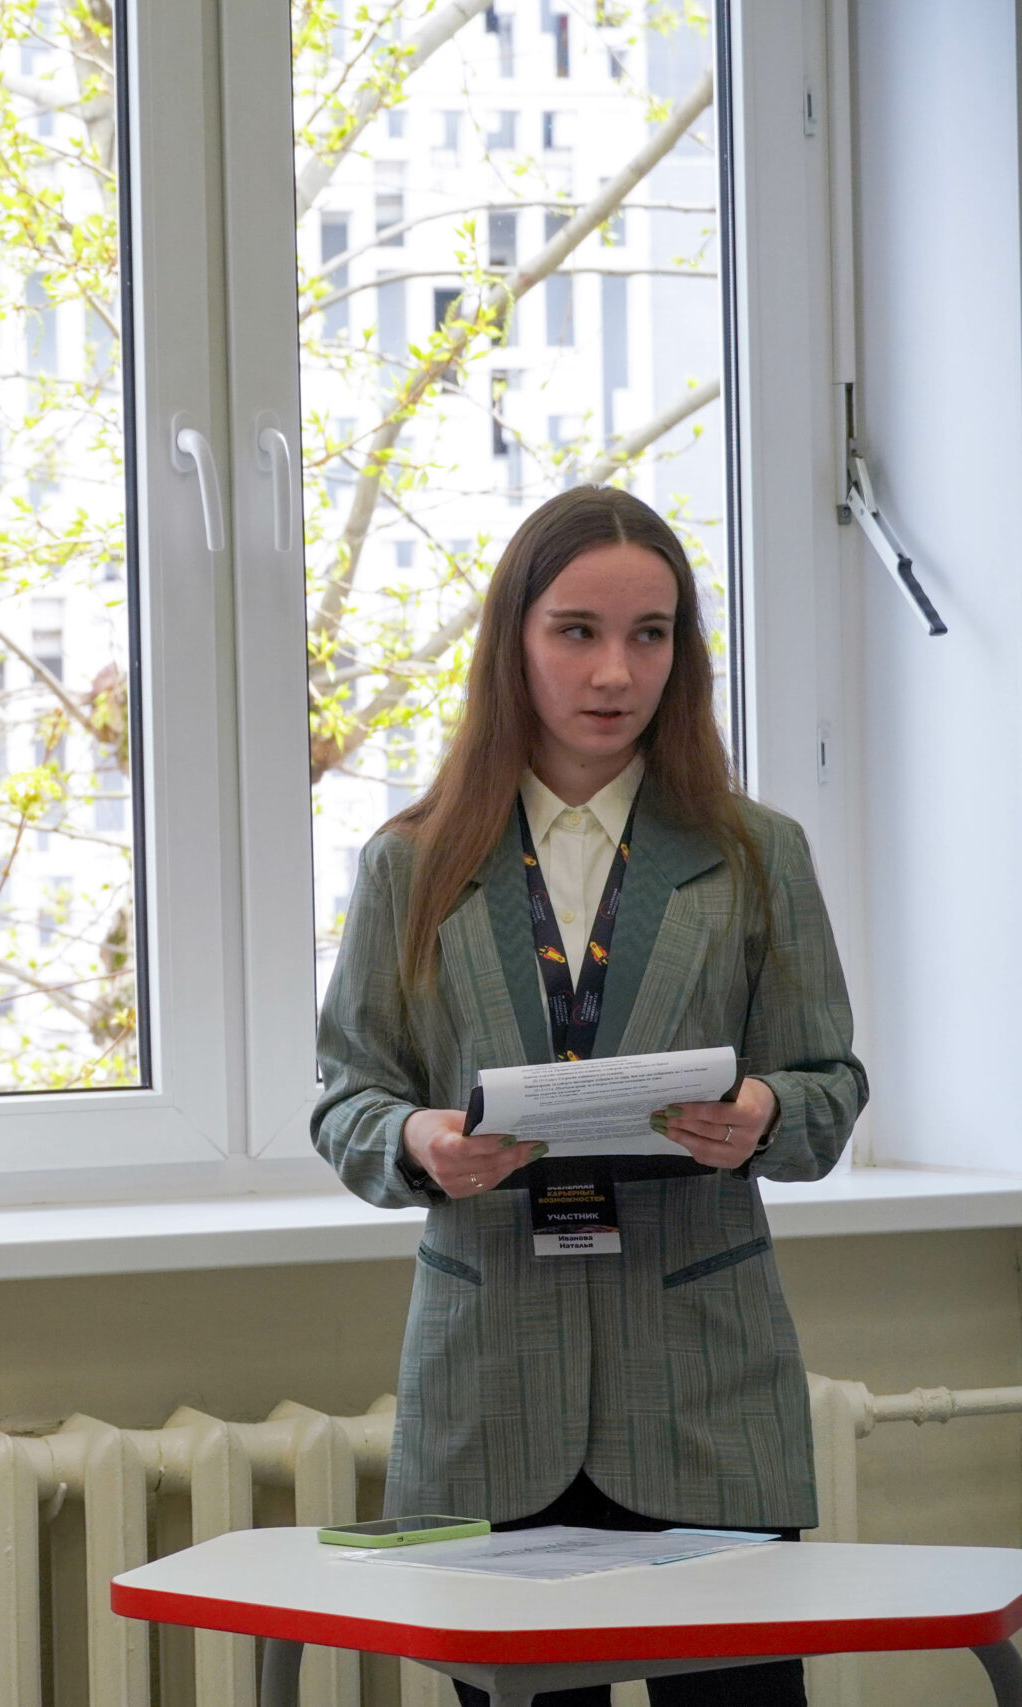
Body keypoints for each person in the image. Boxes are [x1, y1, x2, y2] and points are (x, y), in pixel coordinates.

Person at [312, 486, 866, 1707]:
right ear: (513, 642)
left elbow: (828, 1085)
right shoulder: (410, 862)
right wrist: (417, 1140)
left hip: (704, 1386)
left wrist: (765, 1115)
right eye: (576, 631)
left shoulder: (755, 854)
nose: (616, 672)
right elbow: (346, 1098)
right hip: (491, 1388)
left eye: (649, 635)